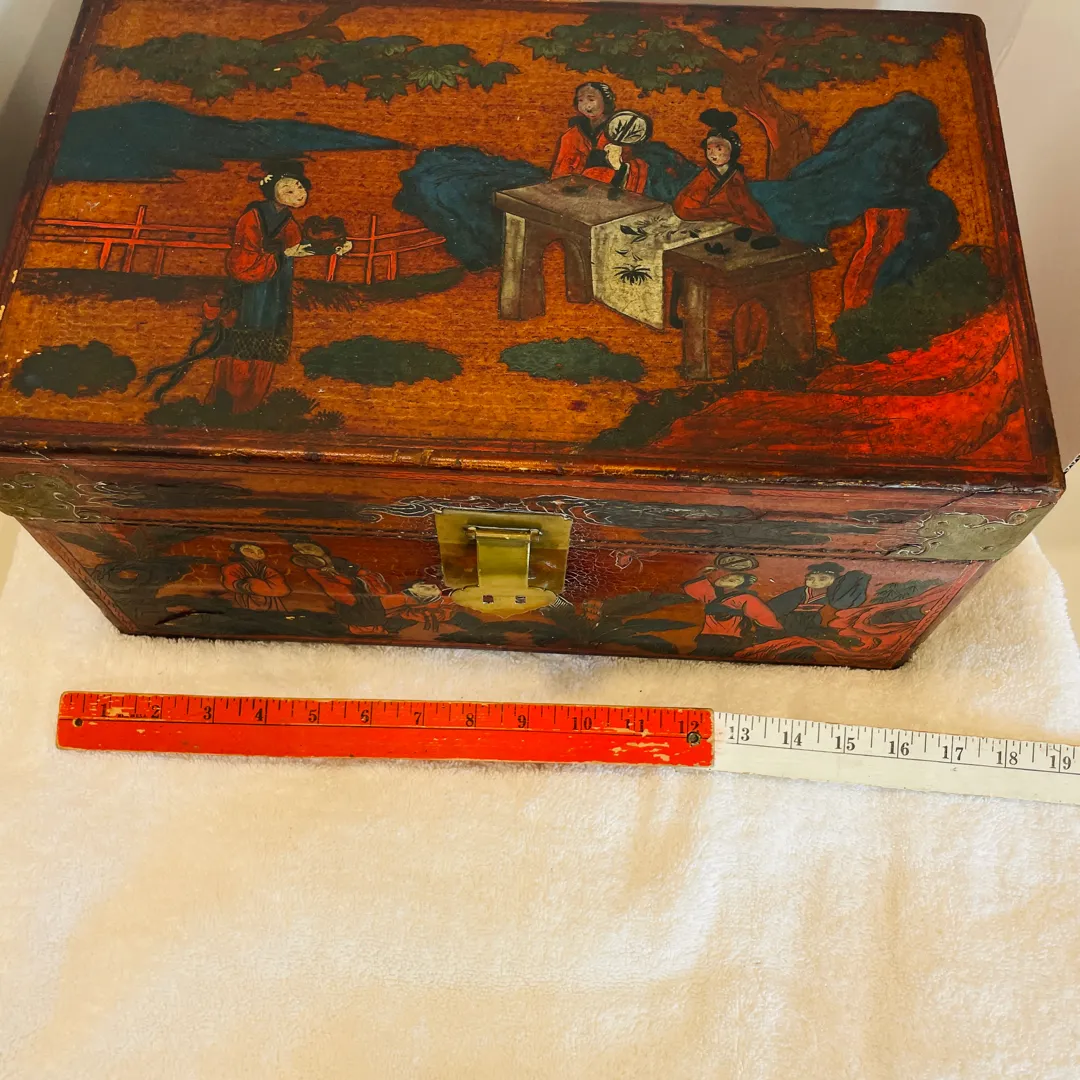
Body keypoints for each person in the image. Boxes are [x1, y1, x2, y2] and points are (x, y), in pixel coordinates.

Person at [204, 160, 351, 413]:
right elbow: (244, 257)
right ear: (271, 189)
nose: (297, 193)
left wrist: (332, 248)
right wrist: (279, 256)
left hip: (275, 289)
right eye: (288, 188)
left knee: (268, 341)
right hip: (250, 290)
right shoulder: (252, 217)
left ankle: (250, 405)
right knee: (242, 341)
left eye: (300, 188)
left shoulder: (288, 222)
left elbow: (296, 248)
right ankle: (227, 402)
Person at [673, 110, 774, 231]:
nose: (712, 153)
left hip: (730, 221)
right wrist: (717, 211)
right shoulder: (706, 175)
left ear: (732, 151)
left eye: (719, 149)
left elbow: (746, 205)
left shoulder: (735, 177)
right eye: (709, 149)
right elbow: (684, 206)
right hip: (709, 219)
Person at [551, 83, 648, 195]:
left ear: (606, 101)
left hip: (610, 192)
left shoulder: (622, 131)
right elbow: (560, 173)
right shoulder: (571, 135)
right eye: (580, 100)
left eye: (591, 99)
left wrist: (619, 165)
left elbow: (637, 166)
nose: (586, 105)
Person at [683, 554, 783, 657]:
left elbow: (763, 614)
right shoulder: (713, 596)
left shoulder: (745, 598)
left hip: (731, 639)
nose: (727, 578)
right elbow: (693, 589)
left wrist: (775, 628)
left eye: (733, 580)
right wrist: (701, 574)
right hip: (707, 637)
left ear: (740, 585)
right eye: (726, 577)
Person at [769, 562, 871, 639]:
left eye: (822, 579)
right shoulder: (799, 593)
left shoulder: (832, 593)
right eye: (811, 579)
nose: (815, 582)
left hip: (812, 620)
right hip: (790, 619)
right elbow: (778, 607)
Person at [220, 543, 291, 612]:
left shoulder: (267, 570)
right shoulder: (233, 568)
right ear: (243, 553)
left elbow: (282, 588)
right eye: (250, 551)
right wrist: (252, 586)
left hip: (268, 600)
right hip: (242, 598)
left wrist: (254, 583)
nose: (257, 552)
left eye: (260, 551)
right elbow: (230, 583)